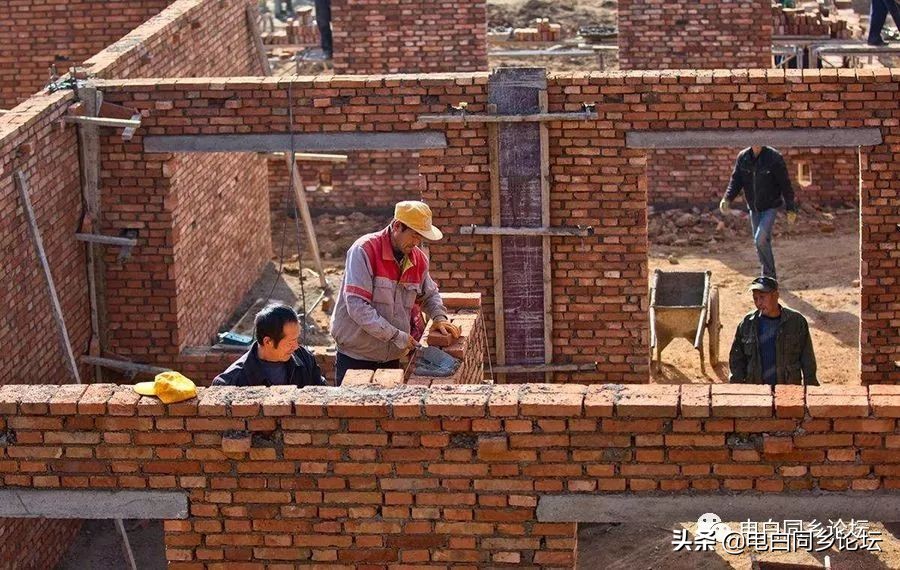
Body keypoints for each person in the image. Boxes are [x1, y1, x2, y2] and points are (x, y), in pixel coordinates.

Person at [330, 200, 460, 385]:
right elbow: (357, 307)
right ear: (397, 226)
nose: (416, 243)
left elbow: (429, 294)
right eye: (414, 235)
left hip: (390, 357)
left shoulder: (418, 259)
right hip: (356, 357)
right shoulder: (365, 250)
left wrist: (439, 317)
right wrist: (397, 336)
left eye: (420, 238)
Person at [719, 145, 798, 280]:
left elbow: (785, 184)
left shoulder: (774, 157)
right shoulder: (743, 157)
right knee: (760, 242)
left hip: (770, 206)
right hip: (753, 208)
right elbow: (736, 181)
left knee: (760, 239)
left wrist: (791, 208)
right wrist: (727, 198)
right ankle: (767, 275)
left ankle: (769, 275)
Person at [728, 277, 818, 386]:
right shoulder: (747, 324)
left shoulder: (796, 322)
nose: (758, 303)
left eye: (762, 297)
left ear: (775, 295)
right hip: (757, 391)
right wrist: (736, 389)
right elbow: (737, 361)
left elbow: (807, 359)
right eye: (755, 298)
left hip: (788, 390)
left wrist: (811, 390)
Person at [213, 304, 325, 387]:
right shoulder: (232, 382)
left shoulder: (304, 358)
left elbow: (321, 391)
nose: (296, 347)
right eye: (290, 342)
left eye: (297, 340)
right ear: (268, 342)